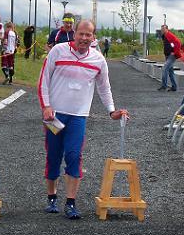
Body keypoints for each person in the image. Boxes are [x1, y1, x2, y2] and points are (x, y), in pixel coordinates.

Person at [38, 19, 130, 219]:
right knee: (53, 155)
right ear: (74, 33)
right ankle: (51, 197)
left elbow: (104, 88)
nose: (84, 38)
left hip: (78, 117)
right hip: (54, 116)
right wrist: (46, 106)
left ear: (93, 37)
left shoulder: (98, 60)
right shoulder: (58, 51)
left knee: (73, 155)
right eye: (81, 33)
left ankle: (70, 202)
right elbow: (43, 80)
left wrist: (111, 110)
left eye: (89, 35)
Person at [158, 24, 181, 92]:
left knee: (165, 69)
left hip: (171, 56)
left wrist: (174, 52)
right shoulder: (164, 36)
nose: (162, 30)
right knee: (171, 72)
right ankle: (174, 87)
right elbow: (171, 44)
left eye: (163, 29)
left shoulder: (170, 35)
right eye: (161, 29)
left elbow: (178, 43)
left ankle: (164, 86)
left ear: (167, 29)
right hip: (167, 55)